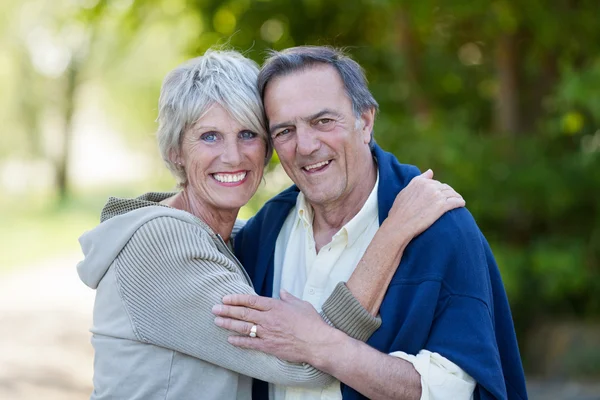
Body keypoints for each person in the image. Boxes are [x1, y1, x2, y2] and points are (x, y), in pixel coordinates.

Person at [76, 50, 465, 400]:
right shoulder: (164, 244)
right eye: (209, 136)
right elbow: (304, 364)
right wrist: (392, 233)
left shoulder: (235, 239)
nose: (232, 156)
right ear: (176, 150)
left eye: (248, 134)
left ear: (267, 148)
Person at [215, 46, 528, 400]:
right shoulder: (263, 233)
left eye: (323, 121)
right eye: (285, 130)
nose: (305, 146)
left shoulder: (440, 230)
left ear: (365, 121)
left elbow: (455, 392)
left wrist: (321, 345)